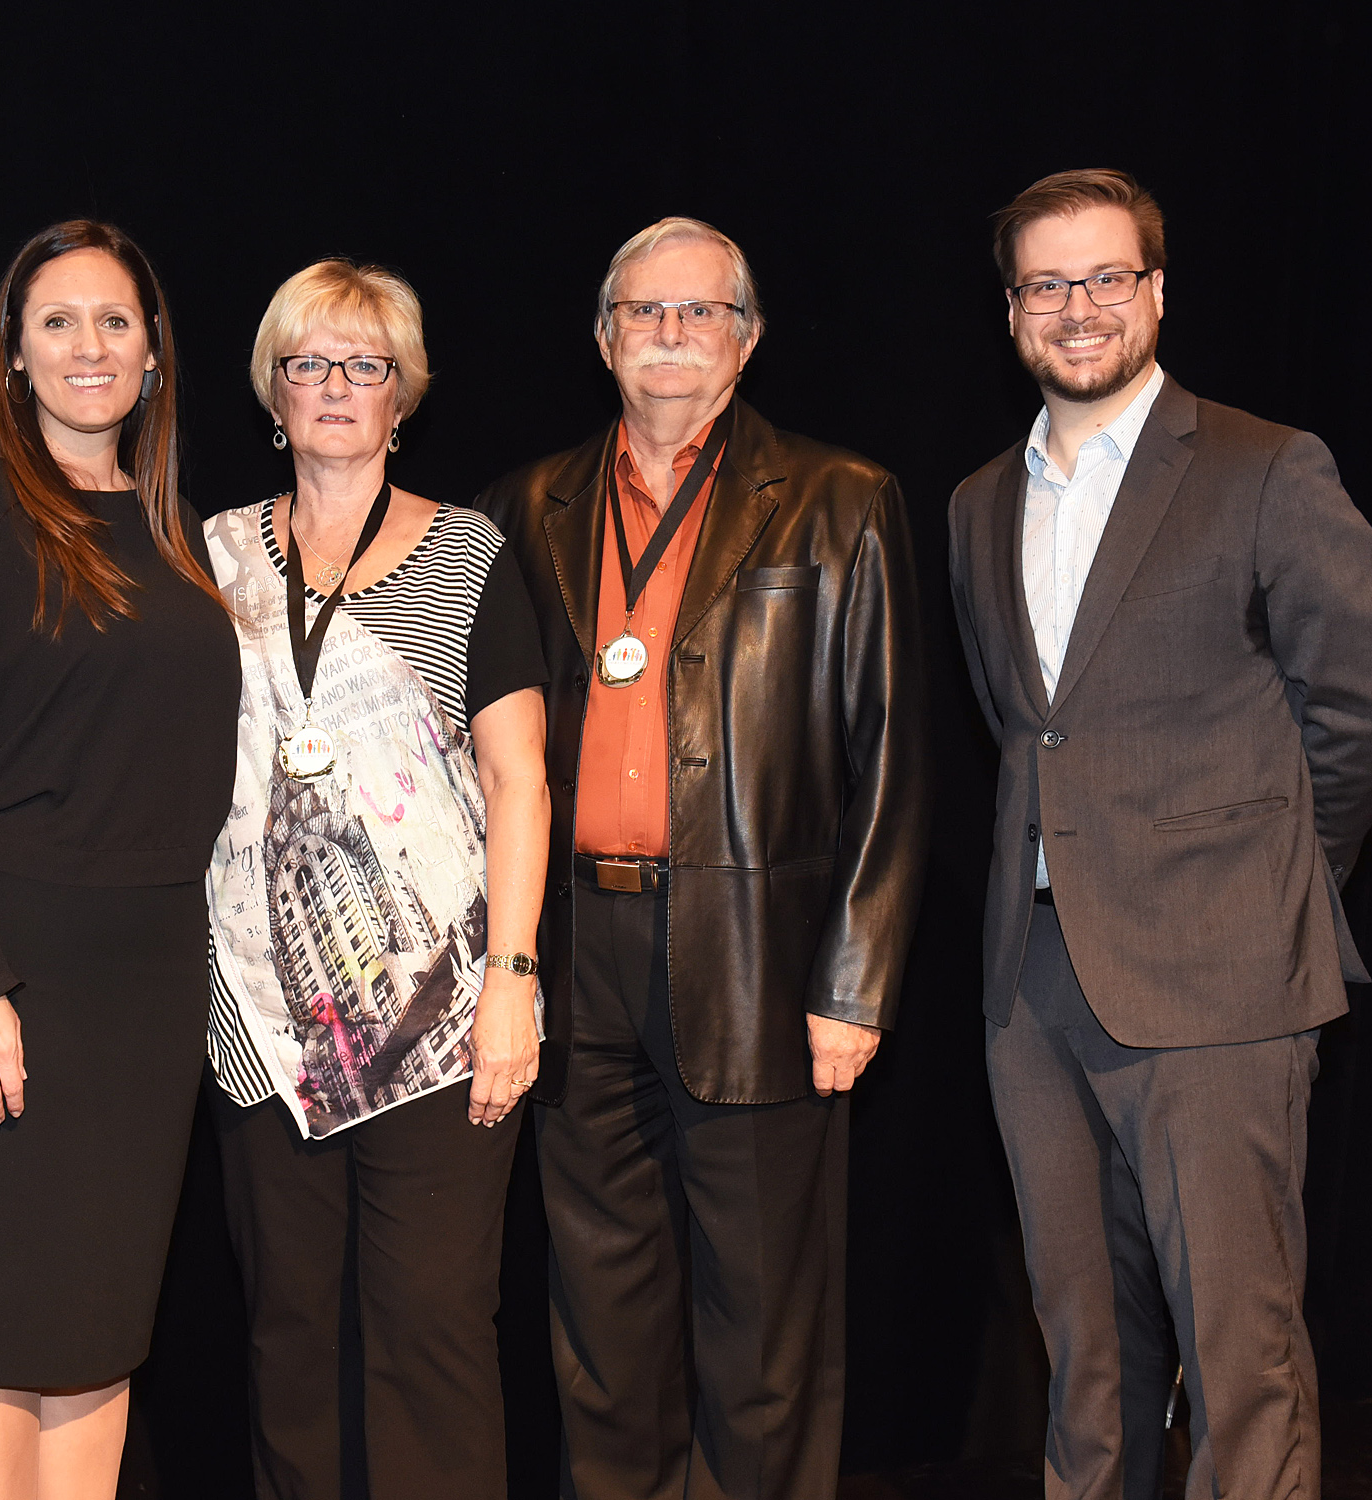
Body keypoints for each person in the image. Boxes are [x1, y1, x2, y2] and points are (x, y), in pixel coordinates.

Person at [948, 169, 1372, 1500]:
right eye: (1047, 283)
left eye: (1106, 277)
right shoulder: (976, 502)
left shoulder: (1266, 468)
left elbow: (1365, 712)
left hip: (1221, 977)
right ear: (1011, 311)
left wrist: (1268, 881)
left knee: (1236, 1355)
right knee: (1080, 1360)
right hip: (1029, 988)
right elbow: (1017, 725)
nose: (1077, 308)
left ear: (1155, 292)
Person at [478, 217, 929, 1499]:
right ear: (604, 336)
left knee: (763, 1329)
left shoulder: (844, 500)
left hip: (760, 958)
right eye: (644, 313)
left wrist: (855, 980)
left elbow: (894, 758)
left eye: (699, 313)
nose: (669, 337)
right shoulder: (527, 505)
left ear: (748, 339)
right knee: (601, 1332)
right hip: (579, 950)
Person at [0, 220, 241, 1500]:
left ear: (153, 356)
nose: (89, 347)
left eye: (115, 323)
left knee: (94, 1330)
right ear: (15, 358)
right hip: (9, 971)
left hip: (144, 995)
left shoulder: (182, 535)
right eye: (57, 323)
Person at [203, 259, 551, 1498]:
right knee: (290, 1338)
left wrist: (513, 978)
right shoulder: (212, 559)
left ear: (402, 397)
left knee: (431, 1332)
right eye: (309, 363)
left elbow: (520, 783)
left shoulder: (470, 557)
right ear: (274, 390)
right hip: (261, 1022)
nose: (336, 388)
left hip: (440, 1016)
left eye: (365, 367)